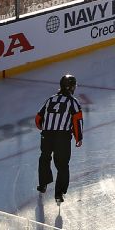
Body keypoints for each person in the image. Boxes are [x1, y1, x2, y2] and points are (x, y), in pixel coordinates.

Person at [35, 74, 84, 205]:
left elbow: (38, 118)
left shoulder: (50, 99)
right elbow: (77, 121)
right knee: (62, 165)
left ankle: (43, 185)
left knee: (44, 158)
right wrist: (78, 137)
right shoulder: (73, 102)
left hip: (47, 135)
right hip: (62, 137)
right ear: (72, 87)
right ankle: (59, 194)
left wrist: (44, 128)